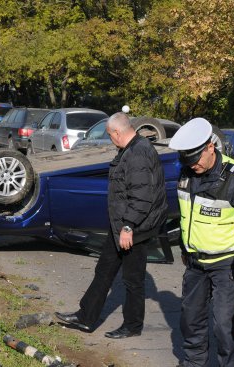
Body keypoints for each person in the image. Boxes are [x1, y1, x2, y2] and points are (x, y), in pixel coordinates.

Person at [55, 112, 167, 339]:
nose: (110, 139)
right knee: (104, 270)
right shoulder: (130, 150)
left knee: (133, 279)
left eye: (110, 135)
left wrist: (128, 227)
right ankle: (85, 317)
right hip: (122, 225)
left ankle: (133, 326)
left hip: (134, 228)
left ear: (117, 132)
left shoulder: (138, 154)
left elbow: (142, 197)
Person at [169, 118, 234, 367]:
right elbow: (187, 216)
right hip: (195, 263)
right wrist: (185, 248)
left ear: (210, 148)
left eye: (195, 159)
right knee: (191, 321)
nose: (192, 165)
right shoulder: (186, 173)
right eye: (187, 160)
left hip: (228, 264)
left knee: (225, 326)